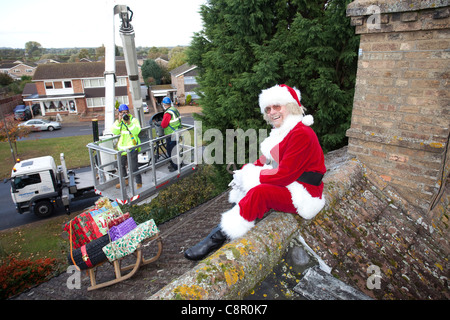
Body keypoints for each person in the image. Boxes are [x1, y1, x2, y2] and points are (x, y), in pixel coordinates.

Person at [184, 84, 326, 261]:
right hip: (291, 184)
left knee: (260, 192)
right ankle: (223, 229)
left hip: (304, 192)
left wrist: (252, 176)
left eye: (276, 106)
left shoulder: (301, 133)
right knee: (246, 183)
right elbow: (263, 160)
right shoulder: (282, 132)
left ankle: (216, 239)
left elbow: (284, 175)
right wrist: (243, 172)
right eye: (268, 109)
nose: (271, 112)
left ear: (290, 106)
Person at [111, 104, 142, 189]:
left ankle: (139, 183)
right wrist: (119, 121)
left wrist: (128, 122)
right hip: (122, 148)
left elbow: (136, 131)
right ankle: (125, 181)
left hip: (132, 147)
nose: (125, 114)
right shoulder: (119, 122)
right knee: (121, 166)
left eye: (126, 113)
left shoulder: (134, 120)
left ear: (129, 112)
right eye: (122, 113)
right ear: (119, 113)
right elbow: (115, 131)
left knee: (134, 166)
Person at [160, 97, 182, 172]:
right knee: (175, 149)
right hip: (177, 132)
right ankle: (176, 164)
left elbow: (163, 125)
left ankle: (175, 167)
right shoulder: (174, 109)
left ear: (164, 104)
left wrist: (159, 123)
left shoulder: (168, 113)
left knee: (171, 150)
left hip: (171, 134)